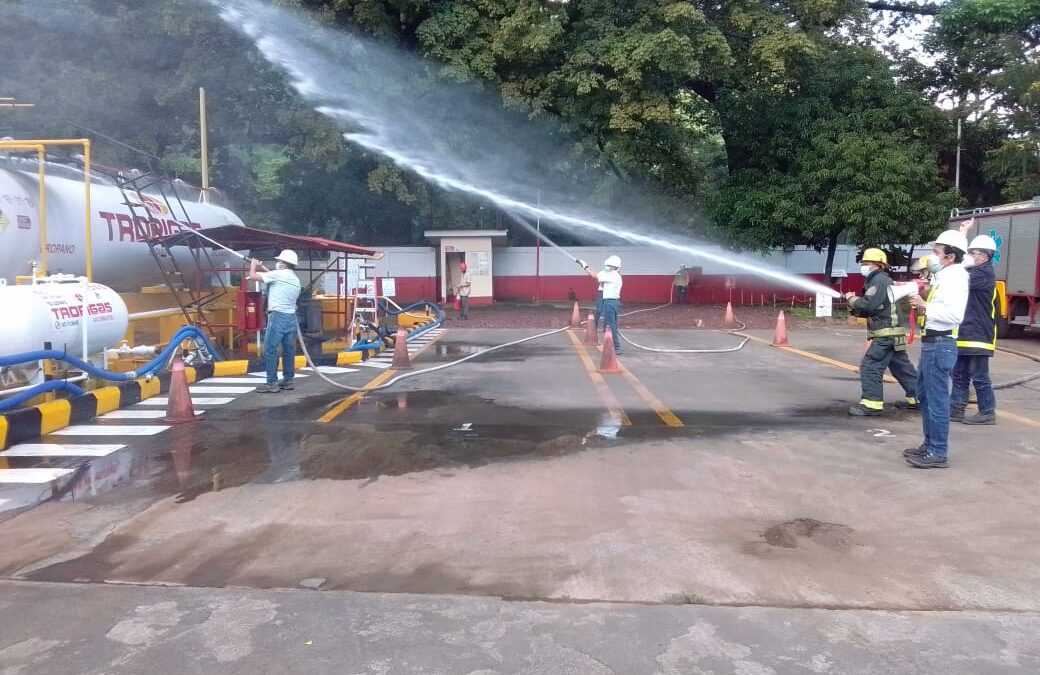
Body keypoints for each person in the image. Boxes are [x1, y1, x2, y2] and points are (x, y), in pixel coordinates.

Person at [904, 229, 970, 469]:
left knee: (937, 400)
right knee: (924, 395)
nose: (932, 256)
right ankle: (929, 444)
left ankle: (938, 451)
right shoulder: (946, 276)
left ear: (950, 256)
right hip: (932, 344)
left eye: (936, 252)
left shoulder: (955, 278)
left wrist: (924, 306)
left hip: (941, 345)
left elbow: (954, 315)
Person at [844, 248, 918, 416]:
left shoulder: (879, 281)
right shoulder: (881, 280)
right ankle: (919, 398)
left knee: (870, 366)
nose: (863, 266)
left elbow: (868, 305)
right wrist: (854, 307)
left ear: (877, 265)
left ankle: (872, 404)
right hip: (894, 333)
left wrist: (852, 299)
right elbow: (873, 308)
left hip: (886, 334)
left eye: (866, 263)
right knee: (901, 368)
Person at [951, 231, 999, 425]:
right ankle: (956, 409)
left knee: (979, 376)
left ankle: (987, 412)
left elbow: (957, 281)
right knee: (959, 374)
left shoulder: (983, 274)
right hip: (965, 332)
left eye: (974, 252)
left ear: (985, 256)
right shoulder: (973, 272)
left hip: (978, 334)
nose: (970, 256)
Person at [249, 249, 302, 393]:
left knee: (270, 350)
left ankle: (271, 382)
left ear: (284, 264)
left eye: (280, 261)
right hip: (291, 318)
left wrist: (253, 264)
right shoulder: (295, 279)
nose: (278, 263)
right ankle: (288, 380)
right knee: (288, 350)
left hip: (277, 317)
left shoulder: (278, 275)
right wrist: (263, 268)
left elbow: (252, 276)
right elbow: (274, 278)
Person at [583, 255, 623, 354]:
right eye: (607, 265)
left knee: (611, 325)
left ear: (615, 267)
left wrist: (585, 267)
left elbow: (595, 276)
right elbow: (599, 276)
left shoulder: (613, 275)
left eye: (609, 265)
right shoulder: (610, 274)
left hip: (611, 302)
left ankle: (616, 347)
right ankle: (610, 344)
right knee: (609, 323)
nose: (607, 267)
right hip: (609, 301)